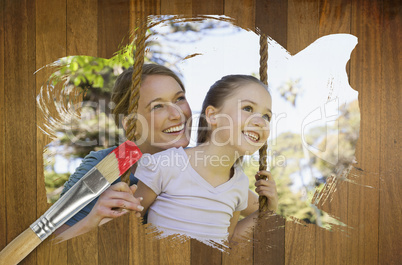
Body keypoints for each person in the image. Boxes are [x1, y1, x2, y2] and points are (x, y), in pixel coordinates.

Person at [54, 65, 275, 241]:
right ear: (131, 123)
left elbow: (250, 209)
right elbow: (51, 243)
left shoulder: (200, 164)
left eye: (179, 98)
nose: (177, 113)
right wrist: (92, 220)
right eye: (157, 106)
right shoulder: (108, 164)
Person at [134, 74, 278, 246]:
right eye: (247, 108)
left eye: (266, 116)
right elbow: (128, 221)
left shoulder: (238, 183)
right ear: (212, 116)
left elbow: (228, 240)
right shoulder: (167, 164)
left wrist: (267, 211)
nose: (260, 122)